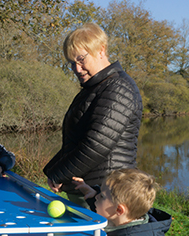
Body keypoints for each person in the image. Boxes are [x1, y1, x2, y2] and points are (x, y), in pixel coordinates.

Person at [42, 22, 143, 209]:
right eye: (72, 63)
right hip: (89, 190)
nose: (77, 69)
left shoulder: (118, 88)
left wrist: (58, 174)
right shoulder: (94, 88)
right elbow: (76, 141)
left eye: (81, 59)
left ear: (101, 50)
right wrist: (52, 170)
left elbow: (96, 145)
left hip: (106, 194)